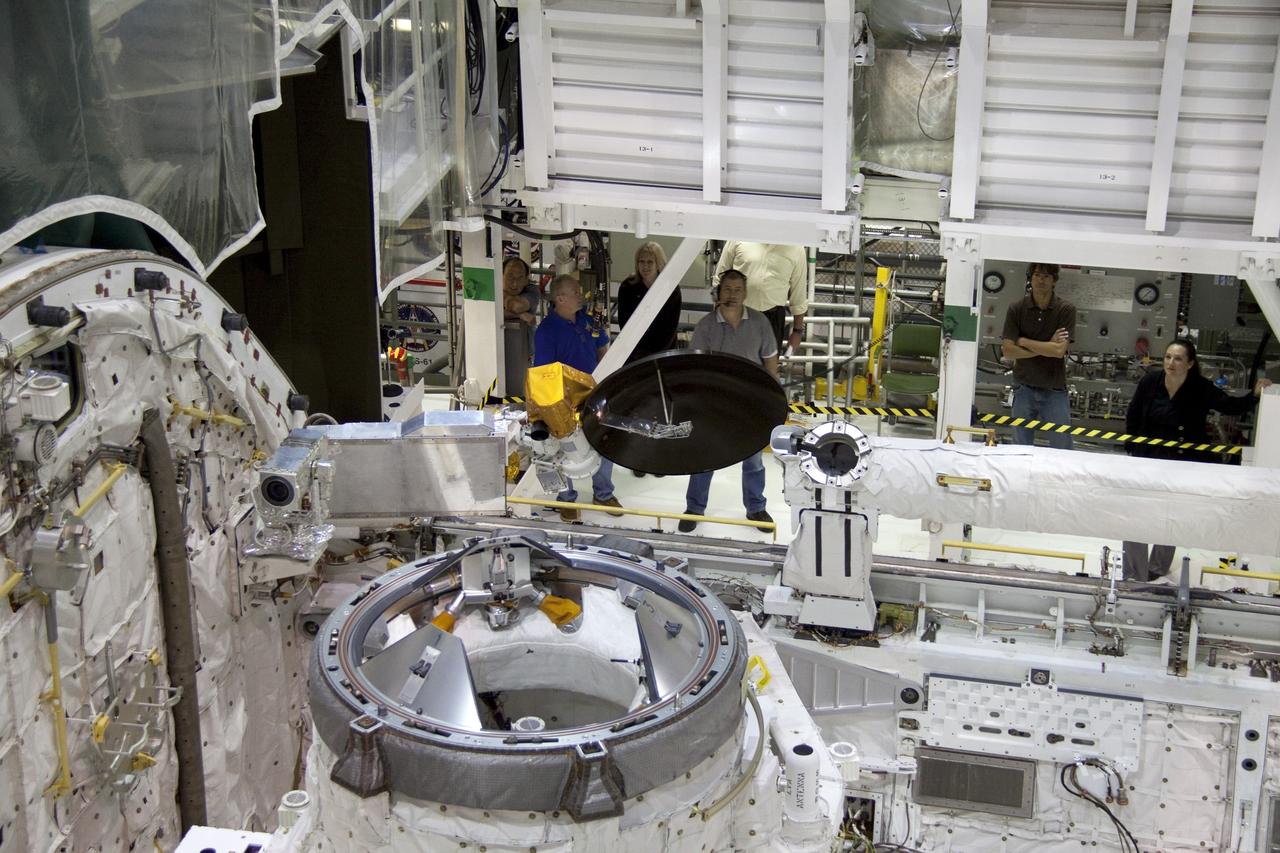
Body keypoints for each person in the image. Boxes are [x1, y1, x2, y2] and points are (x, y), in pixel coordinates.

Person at [1122, 338, 1272, 580]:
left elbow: (1230, 406)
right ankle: (1133, 572)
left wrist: (1254, 395)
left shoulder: (1200, 387)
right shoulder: (1150, 382)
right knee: (1136, 514)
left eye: (1178, 359)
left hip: (1184, 464)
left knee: (1171, 516)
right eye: (1168, 357)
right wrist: (1132, 447)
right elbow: (1134, 413)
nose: (1171, 363)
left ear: (1190, 364)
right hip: (1147, 459)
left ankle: (1157, 569)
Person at [678, 270, 779, 533]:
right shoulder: (706, 326)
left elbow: (770, 361)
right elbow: (696, 366)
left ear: (745, 294)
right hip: (714, 405)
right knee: (704, 456)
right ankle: (694, 508)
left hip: (750, 404)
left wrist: (773, 398)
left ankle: (756, 508)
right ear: (718, 293)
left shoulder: (760, 323)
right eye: (727, 289)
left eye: (737, 290)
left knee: (754, 461)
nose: (732, 295)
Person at [533, 275, 622, 522]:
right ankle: (566, 498)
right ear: (560, 298)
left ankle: (603, 494)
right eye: (575, 292)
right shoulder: (546, 332)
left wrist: (607, 381)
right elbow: (544, 373)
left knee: (604, 439)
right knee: (563, 447)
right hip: (564, 399)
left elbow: (602, 349)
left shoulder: (587, 320)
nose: (581, 296)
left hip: (594, 392)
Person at [1001, 263, 1076, 449]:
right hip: (1023, 387)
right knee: (1020, 448)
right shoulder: (1016, 309)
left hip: (1054, 389)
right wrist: (1047, 345)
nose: (1041, 280)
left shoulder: (1065, 310)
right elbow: (1008, 351)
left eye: (1046, 276)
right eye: (1037, 275)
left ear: (1054, 281)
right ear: (1030, 278)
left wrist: (1023, 341)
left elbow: (1058, 352)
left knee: (1062, 447)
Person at [713, 242, 808, 353]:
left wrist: (797, 331)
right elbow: (719, 280)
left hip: (772, 319)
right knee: (732, 360)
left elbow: (799, 292)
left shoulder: (796, 248)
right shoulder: (738, 238)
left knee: (766, 363)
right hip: (736, 314)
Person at [617, 241, 682, 362]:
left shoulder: (671, 289)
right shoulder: (627, 287)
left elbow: (670, 328)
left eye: (650, 262)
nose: (645, 266)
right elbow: (624, 322)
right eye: (641, 261)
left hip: (663, 354)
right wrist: (637, 353)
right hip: (633, 354)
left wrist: (652, 356)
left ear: (658, 264)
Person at [501, 256, 538, 326]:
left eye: (520, 278)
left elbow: (516, 306)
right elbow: (489, 312)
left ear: (526, 280)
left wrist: (500, 294)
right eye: (510, 277)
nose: (515, 284)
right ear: (501, 275)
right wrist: (519, 315)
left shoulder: (532, 289)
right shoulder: (493, 287)